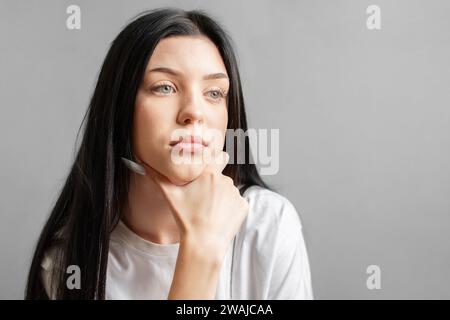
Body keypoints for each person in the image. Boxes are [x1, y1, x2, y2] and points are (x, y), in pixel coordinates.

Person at [25, 7, 313, 300]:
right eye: (165, 87)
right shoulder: (70, 264)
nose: (194, 112)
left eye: (214, 93)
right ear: (121, 109)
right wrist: (201, 250)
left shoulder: (269, 224)